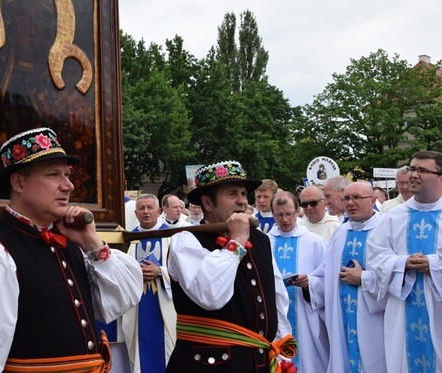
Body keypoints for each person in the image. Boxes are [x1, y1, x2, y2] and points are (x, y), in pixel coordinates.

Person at [0, 127, 142, 372]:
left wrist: (92, 243)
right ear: (19, 182)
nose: (69, 186)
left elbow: (118, 302)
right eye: (54, 175)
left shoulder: (69, 242)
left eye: (67, 174)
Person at [166, 160, 294, 371]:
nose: (242, 201)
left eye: (244, 194)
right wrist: (236, 242)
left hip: (258, 363)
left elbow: (277, 296)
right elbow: (210, 295)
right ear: (207, 203)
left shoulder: (262, 240)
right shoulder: (186, 241)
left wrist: (280, 351)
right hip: (208, 365)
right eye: (232, 194)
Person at [368, 151, 442, 372]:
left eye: (422, 170)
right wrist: (402, 263)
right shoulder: (393, 216)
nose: (413, 175)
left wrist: (434, 265)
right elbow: (376, 256)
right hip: (404, 305)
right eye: (412, 169)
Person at [308, 181, 386, 372]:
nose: (350, 203)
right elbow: (325, 273)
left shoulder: (385, 229)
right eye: (347, 199)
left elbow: (398, 275)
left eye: (357, 198)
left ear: (373, 200)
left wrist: (364, 279)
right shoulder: (341, 232)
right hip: (342, 316)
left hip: (375, 319)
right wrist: (309, 282)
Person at [267, 191, 329, 373]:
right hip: (275, 316)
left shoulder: (315, 242)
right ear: (273, 215)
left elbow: (328, 281)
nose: (285, 219)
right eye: (279, 215)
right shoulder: (265, 242)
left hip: (305, 316)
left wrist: (310, 283)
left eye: (289, 214)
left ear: (297, 212)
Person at [121, 194, 176, 373]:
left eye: (150, 208)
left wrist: (160, 271)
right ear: (136, 213)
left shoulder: (173, 236)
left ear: (159, 211)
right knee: (139, 355)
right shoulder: (127, 239)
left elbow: (185, 274)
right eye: (141, 209)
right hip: (137, 308)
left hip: (165, 305)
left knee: (167, 352)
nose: (146, 212)